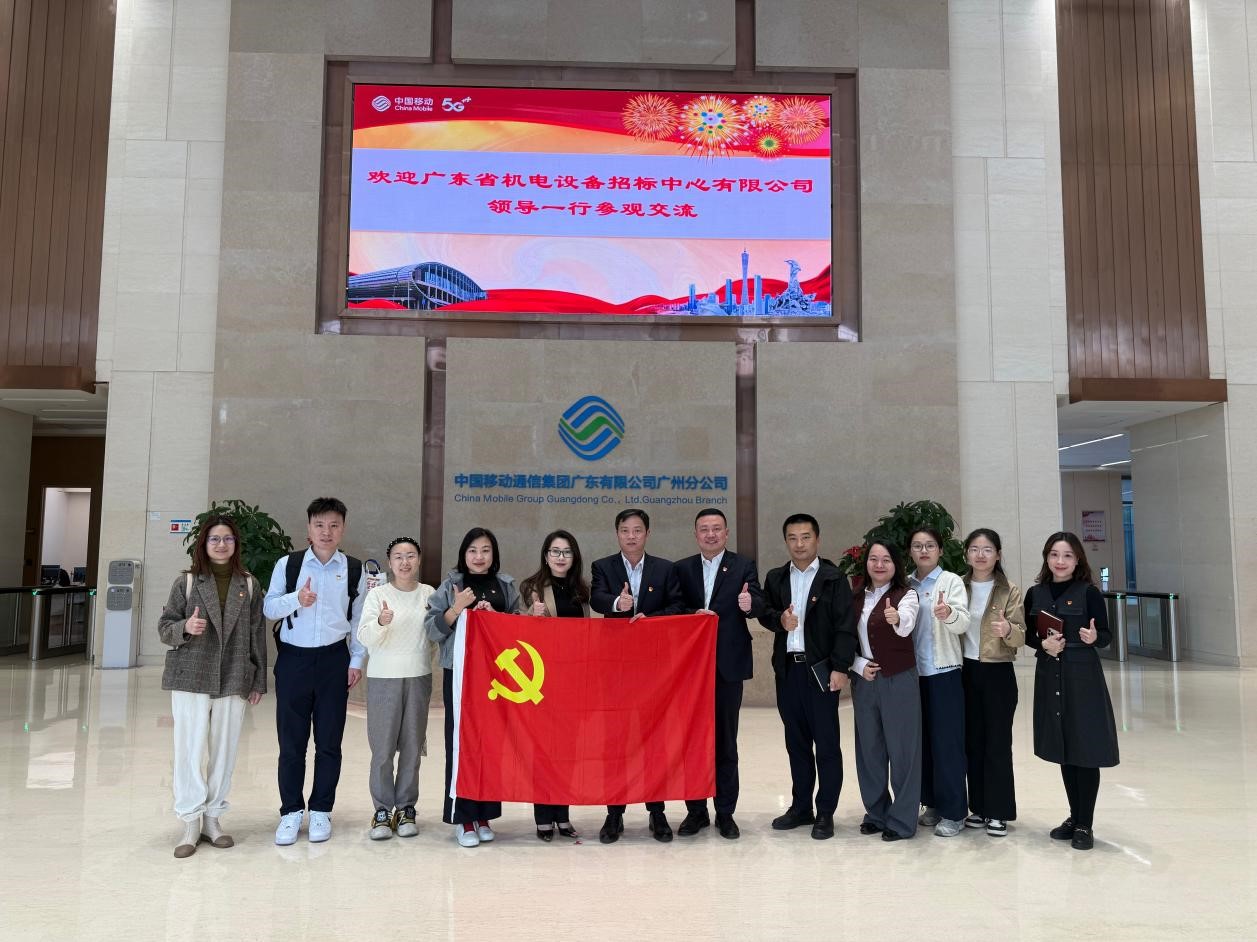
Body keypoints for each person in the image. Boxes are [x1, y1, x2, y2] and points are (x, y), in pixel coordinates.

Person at [157, 515, 266, 858]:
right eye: (214, 539)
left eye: (228, 539)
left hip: (233, 674)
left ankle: (213, 819)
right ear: (203, 544)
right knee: (189, 749)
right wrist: (185, 628)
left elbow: (257, 634)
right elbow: (164, 627)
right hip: (191, 674)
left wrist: (258, 680)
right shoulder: (187, 582)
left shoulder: (249, 584)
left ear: (236, 544)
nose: (221, 544)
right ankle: (190, 820)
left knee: (225, 751)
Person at [263, 497, 366, 846]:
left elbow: (359, 620)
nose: (326, 532)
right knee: (291, 743)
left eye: (334, 525)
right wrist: (297, 599)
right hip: (293, 660)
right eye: (319, 525)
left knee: (329, 742)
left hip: (334, 660)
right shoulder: (289, 565)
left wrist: (356, 661)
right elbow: (269, 608)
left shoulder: (353, 569)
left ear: (343, 529)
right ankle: (291, 811)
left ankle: (321, 809)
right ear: (308, 528)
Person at [589, 507, 684, 843]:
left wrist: (651, 620)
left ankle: (657, 813)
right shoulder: (603, 566)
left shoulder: (665, 568)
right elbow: (597, 598)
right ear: (617, 534)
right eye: (625, 530)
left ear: (647, 533)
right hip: (615, 670)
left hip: (654, 671)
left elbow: (678, 606)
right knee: (615, 742)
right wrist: (619, 604)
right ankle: (614, 813)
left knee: (654, 741)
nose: (631, 536)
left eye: (637, 530)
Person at [760, 513, 857, 840]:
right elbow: (765, 613)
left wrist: (840, 667)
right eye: (792, 538)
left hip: (821, 671)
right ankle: (801, 807)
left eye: (805, 537)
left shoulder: (833, 578)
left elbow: (845, 626)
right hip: (788, 670)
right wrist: (779, 620)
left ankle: (825, 812)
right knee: (796, 743)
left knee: (826, 744)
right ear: (785, 541)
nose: (799, 544)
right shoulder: (776, 577)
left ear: (817, 539)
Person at [425, 527, 520, 847]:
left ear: (494, 555)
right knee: (461, 743)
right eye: (473, 551)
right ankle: (463, 817)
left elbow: (519, 628)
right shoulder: (451, 585)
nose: (479, 557)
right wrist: (457, 608)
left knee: (490, 745)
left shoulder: (505, 585)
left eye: (485, 550)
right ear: (463, 554)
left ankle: (484, 815)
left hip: (495, 678)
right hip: (461, 674)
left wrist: (496, 617)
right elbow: (432, 629)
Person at [1024, 532, 1119, 851]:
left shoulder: (1089, 592)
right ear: (1046, 558)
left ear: (1078, 559)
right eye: (1054, 554)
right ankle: (1073, 816)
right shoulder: (1035, 593)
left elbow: (1105, 634)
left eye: (1067, 555)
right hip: (1050, 674)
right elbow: (1029, 635)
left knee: (1085, 748)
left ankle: (1084, 823)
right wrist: (1043, 644)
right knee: (1065, 746)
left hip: (1082, 675)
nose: (1060, 561)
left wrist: (1094, 638)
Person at [674, 507, 764, 840]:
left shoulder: (743, 566)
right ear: (695, 534)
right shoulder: (682, 568)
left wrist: (750, 605)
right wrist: (691, 614)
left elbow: (757, 602)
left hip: (727, 666)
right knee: (693, 741)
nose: (710, 534)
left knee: (726, 742)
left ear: (726, 533)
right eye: (704, 529)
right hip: (690, 670)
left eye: (716, 529)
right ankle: (696, 811)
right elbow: (673, 607)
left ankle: (725, 812)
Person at [356, 537, 436, 841]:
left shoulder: (429, 594)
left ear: (419, 560)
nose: (405, 562)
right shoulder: (378, 595)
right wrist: (380, 621)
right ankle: (381, 810)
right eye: (398, 556)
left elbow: (435, 634)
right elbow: (364, 637)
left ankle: (406, 808)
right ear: (389, 562)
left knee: (413, 747)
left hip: (418, 676)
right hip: (383, 678)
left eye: (411, 555)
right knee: (383, 748)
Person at [517, 529, 590, 842]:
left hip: (573, 679)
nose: (561, 557)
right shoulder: (532, 588)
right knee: (544, 750)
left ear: (574, 557)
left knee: (568, 750)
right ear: (546, 556)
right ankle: (543, 816)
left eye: (567, 552)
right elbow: (518, 633)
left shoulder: (581, 590)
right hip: (543, 680)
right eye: (555, 551)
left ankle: (563, 814)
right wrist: (532, 617)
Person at [848, 540, 921, 842]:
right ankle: (876, 813)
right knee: (870, 749)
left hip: (899, 680)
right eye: (874, 559)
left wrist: (897, 619)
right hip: (865, 679)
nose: (879, 565)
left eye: (886, 559)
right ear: (866, 562)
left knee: (903, 751)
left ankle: (902, 820)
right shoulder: (855, 596)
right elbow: (843, 637)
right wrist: (857, 664)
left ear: (896, 564)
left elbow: (907, 623)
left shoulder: (907, 595)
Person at [960, 528, 1026, 837]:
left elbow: (1021, 635)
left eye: (987, 550)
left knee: (997, 743)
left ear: (998, 555)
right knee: (973, 742)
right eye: (975, 549)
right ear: (966, 554)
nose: (981, 555)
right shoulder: (958, 586)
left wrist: (1008, 630)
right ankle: (978, 807)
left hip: (998, 672)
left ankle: (998, 811)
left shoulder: (1009, 590)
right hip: (965, 671)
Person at [907, 527, 971, 837]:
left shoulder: (951, 581)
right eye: (917, 546)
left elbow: (963, 622)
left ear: (940, 550)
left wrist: (948, 614)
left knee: (948, 744)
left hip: (943, 673)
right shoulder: (906, 584)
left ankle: (955, 812)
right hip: (912, 676)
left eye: (930, 545)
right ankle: (931, 802)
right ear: (910, 551)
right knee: (923, 745)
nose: (924, 551)